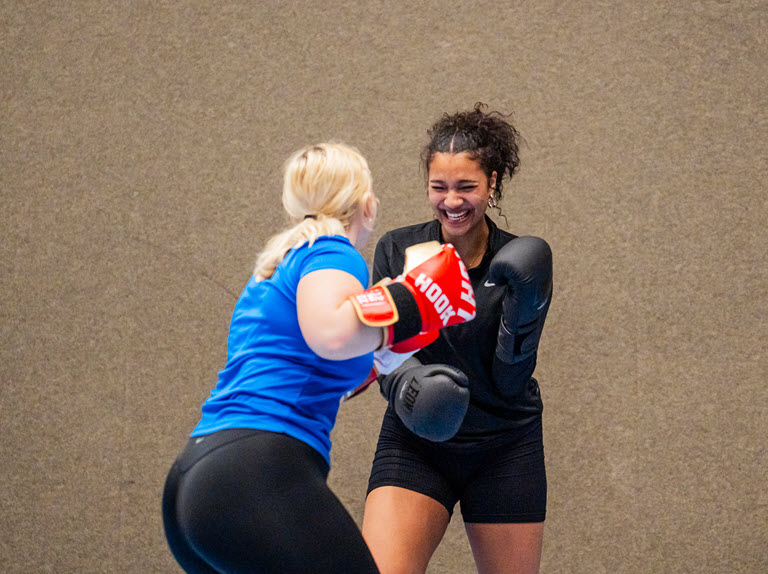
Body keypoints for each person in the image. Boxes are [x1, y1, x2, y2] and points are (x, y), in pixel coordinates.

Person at [161, 142, 477, 574]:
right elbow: (332, 334)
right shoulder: (332, 250)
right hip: (255, 471)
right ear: (367, 204)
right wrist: (411, 297)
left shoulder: (279, 262)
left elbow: (325, 358)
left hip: (199, 477)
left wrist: (402, 336)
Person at [361, 104, 554, 574]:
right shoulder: (398, 249)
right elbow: (382, 350)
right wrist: (411, 387)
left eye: (466, 186)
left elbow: (510, 382)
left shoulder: (517, 260)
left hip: (505, 443)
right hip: (416, 443)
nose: (452, 200)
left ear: (492, 184)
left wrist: (525, 318)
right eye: (439, 187)